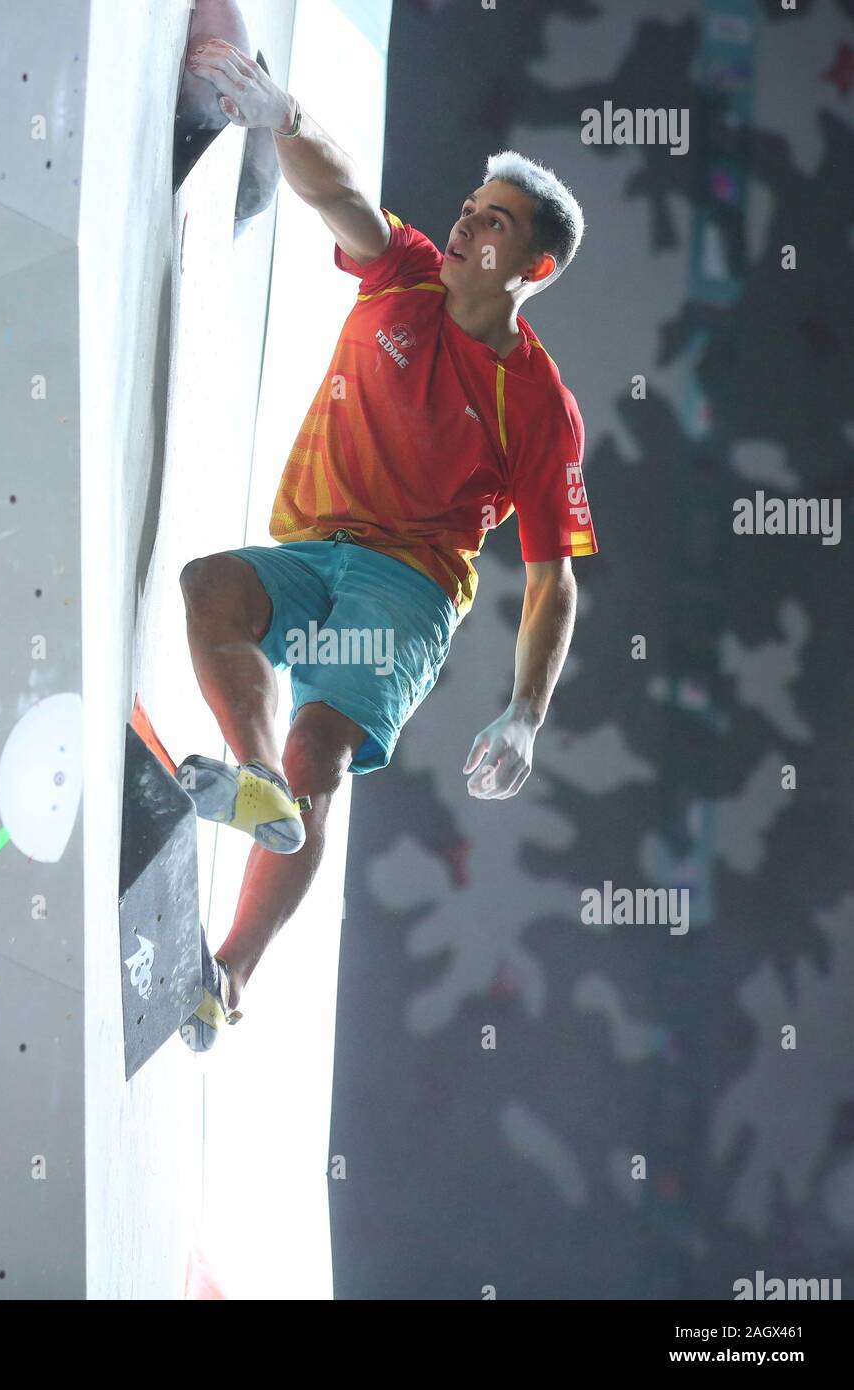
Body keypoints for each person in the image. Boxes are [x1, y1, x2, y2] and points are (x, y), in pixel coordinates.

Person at [177, 37, 597, 1048]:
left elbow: (553, 586)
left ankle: (229, 974)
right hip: (318, 546)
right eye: (467, 206)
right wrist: (284, 117)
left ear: (530, 267)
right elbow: (340, 196)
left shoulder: (541, 406)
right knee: (211, 591)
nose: (463, 225)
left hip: (406, 590)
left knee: (320, 741)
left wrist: (527, 713)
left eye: (491, 224)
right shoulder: (404, 271)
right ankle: (255, 783)